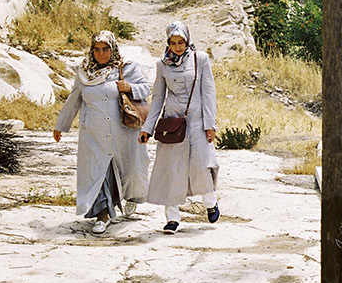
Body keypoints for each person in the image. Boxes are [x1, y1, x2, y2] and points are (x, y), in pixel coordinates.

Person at [53, 30, 150, 235]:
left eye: (105, 49)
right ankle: (102, 214)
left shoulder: (126, 67)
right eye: (96, 50)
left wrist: (129, 87)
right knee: (99, 172)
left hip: (124, 131)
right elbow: (74, 101)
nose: (101, 54)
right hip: (94, 135)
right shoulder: (84, 73)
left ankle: (131, 197)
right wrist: (61, 125)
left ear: (112, 49)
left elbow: (146, 88)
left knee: (130, 170)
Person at [139, 21, 219, 232]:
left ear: (187, 40)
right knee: (171, 169)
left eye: (181, 42)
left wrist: (210, 124)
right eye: (173, 43)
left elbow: (208, 92)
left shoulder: (200, 59)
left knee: (201, 165)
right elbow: (157, 98)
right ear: (168, 43)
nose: (177, 47)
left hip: (197, 120)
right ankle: (172, 218)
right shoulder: (162, 64)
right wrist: (148, 128)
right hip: (172, 122)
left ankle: (210, 202)